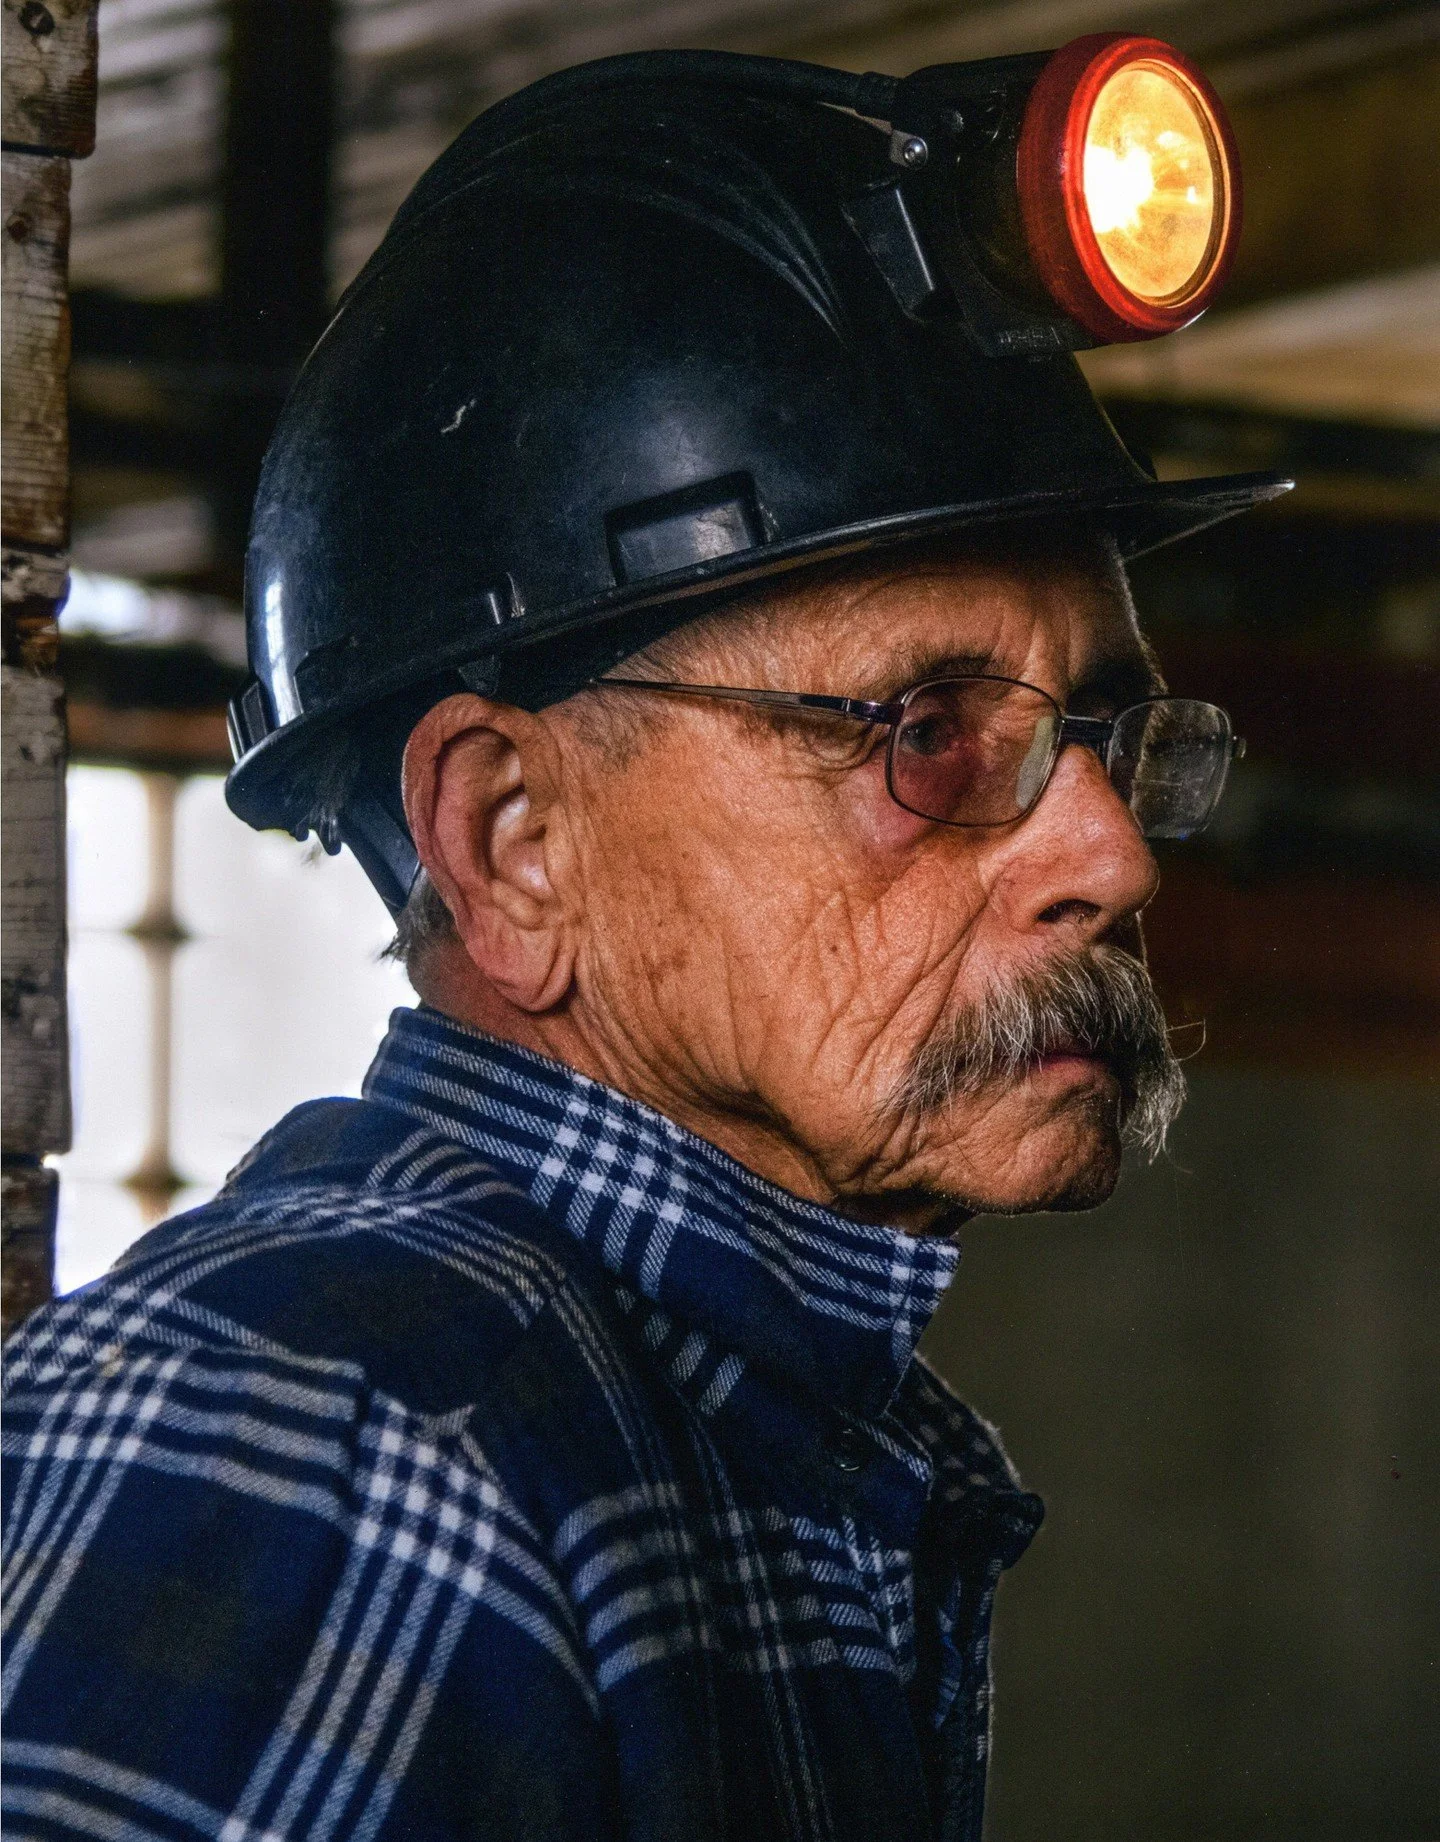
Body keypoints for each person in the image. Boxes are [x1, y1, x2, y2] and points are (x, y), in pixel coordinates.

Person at [2, 46, 1286, 1842]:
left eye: (1102, 732)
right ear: (514, 848)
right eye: (925, 732)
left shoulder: (726, 1425)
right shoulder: (366, 1435)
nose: (1110, 853)